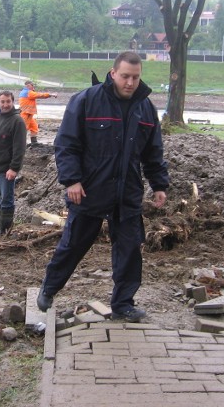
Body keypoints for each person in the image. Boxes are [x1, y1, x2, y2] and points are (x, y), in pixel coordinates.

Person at [37, 51, 169, 322]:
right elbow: (67, 144)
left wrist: (159, 184)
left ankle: (123, 304)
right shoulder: (87, 100)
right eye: (125, 76)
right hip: (90, 189)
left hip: (127, 192)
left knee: (130, 250)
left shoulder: (145, 108)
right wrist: (71, 180)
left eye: (135, 77)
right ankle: (49, 289)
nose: (130, 83)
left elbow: (153, 152)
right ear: (113, 73)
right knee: (73, 244)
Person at [0, 91, 27, 237]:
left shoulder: (18, 121)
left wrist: (14, 168)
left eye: (8, 101)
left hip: (6, 170)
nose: (5, 104)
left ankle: (4, 231)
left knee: (6, 201)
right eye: (2, 102)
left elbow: (20, 148)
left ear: (13, 102)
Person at [18, 80, 57, 147]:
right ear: (28, 86)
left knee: (34, 126)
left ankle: (34, 142)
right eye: (31, 85)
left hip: (28, 113)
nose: (33, 86)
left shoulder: (25, 92)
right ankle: (20, 144)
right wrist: (51, 95)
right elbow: (40, 95)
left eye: (33, 85)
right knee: (23, 129)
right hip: (26, 113)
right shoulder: (29, 93)